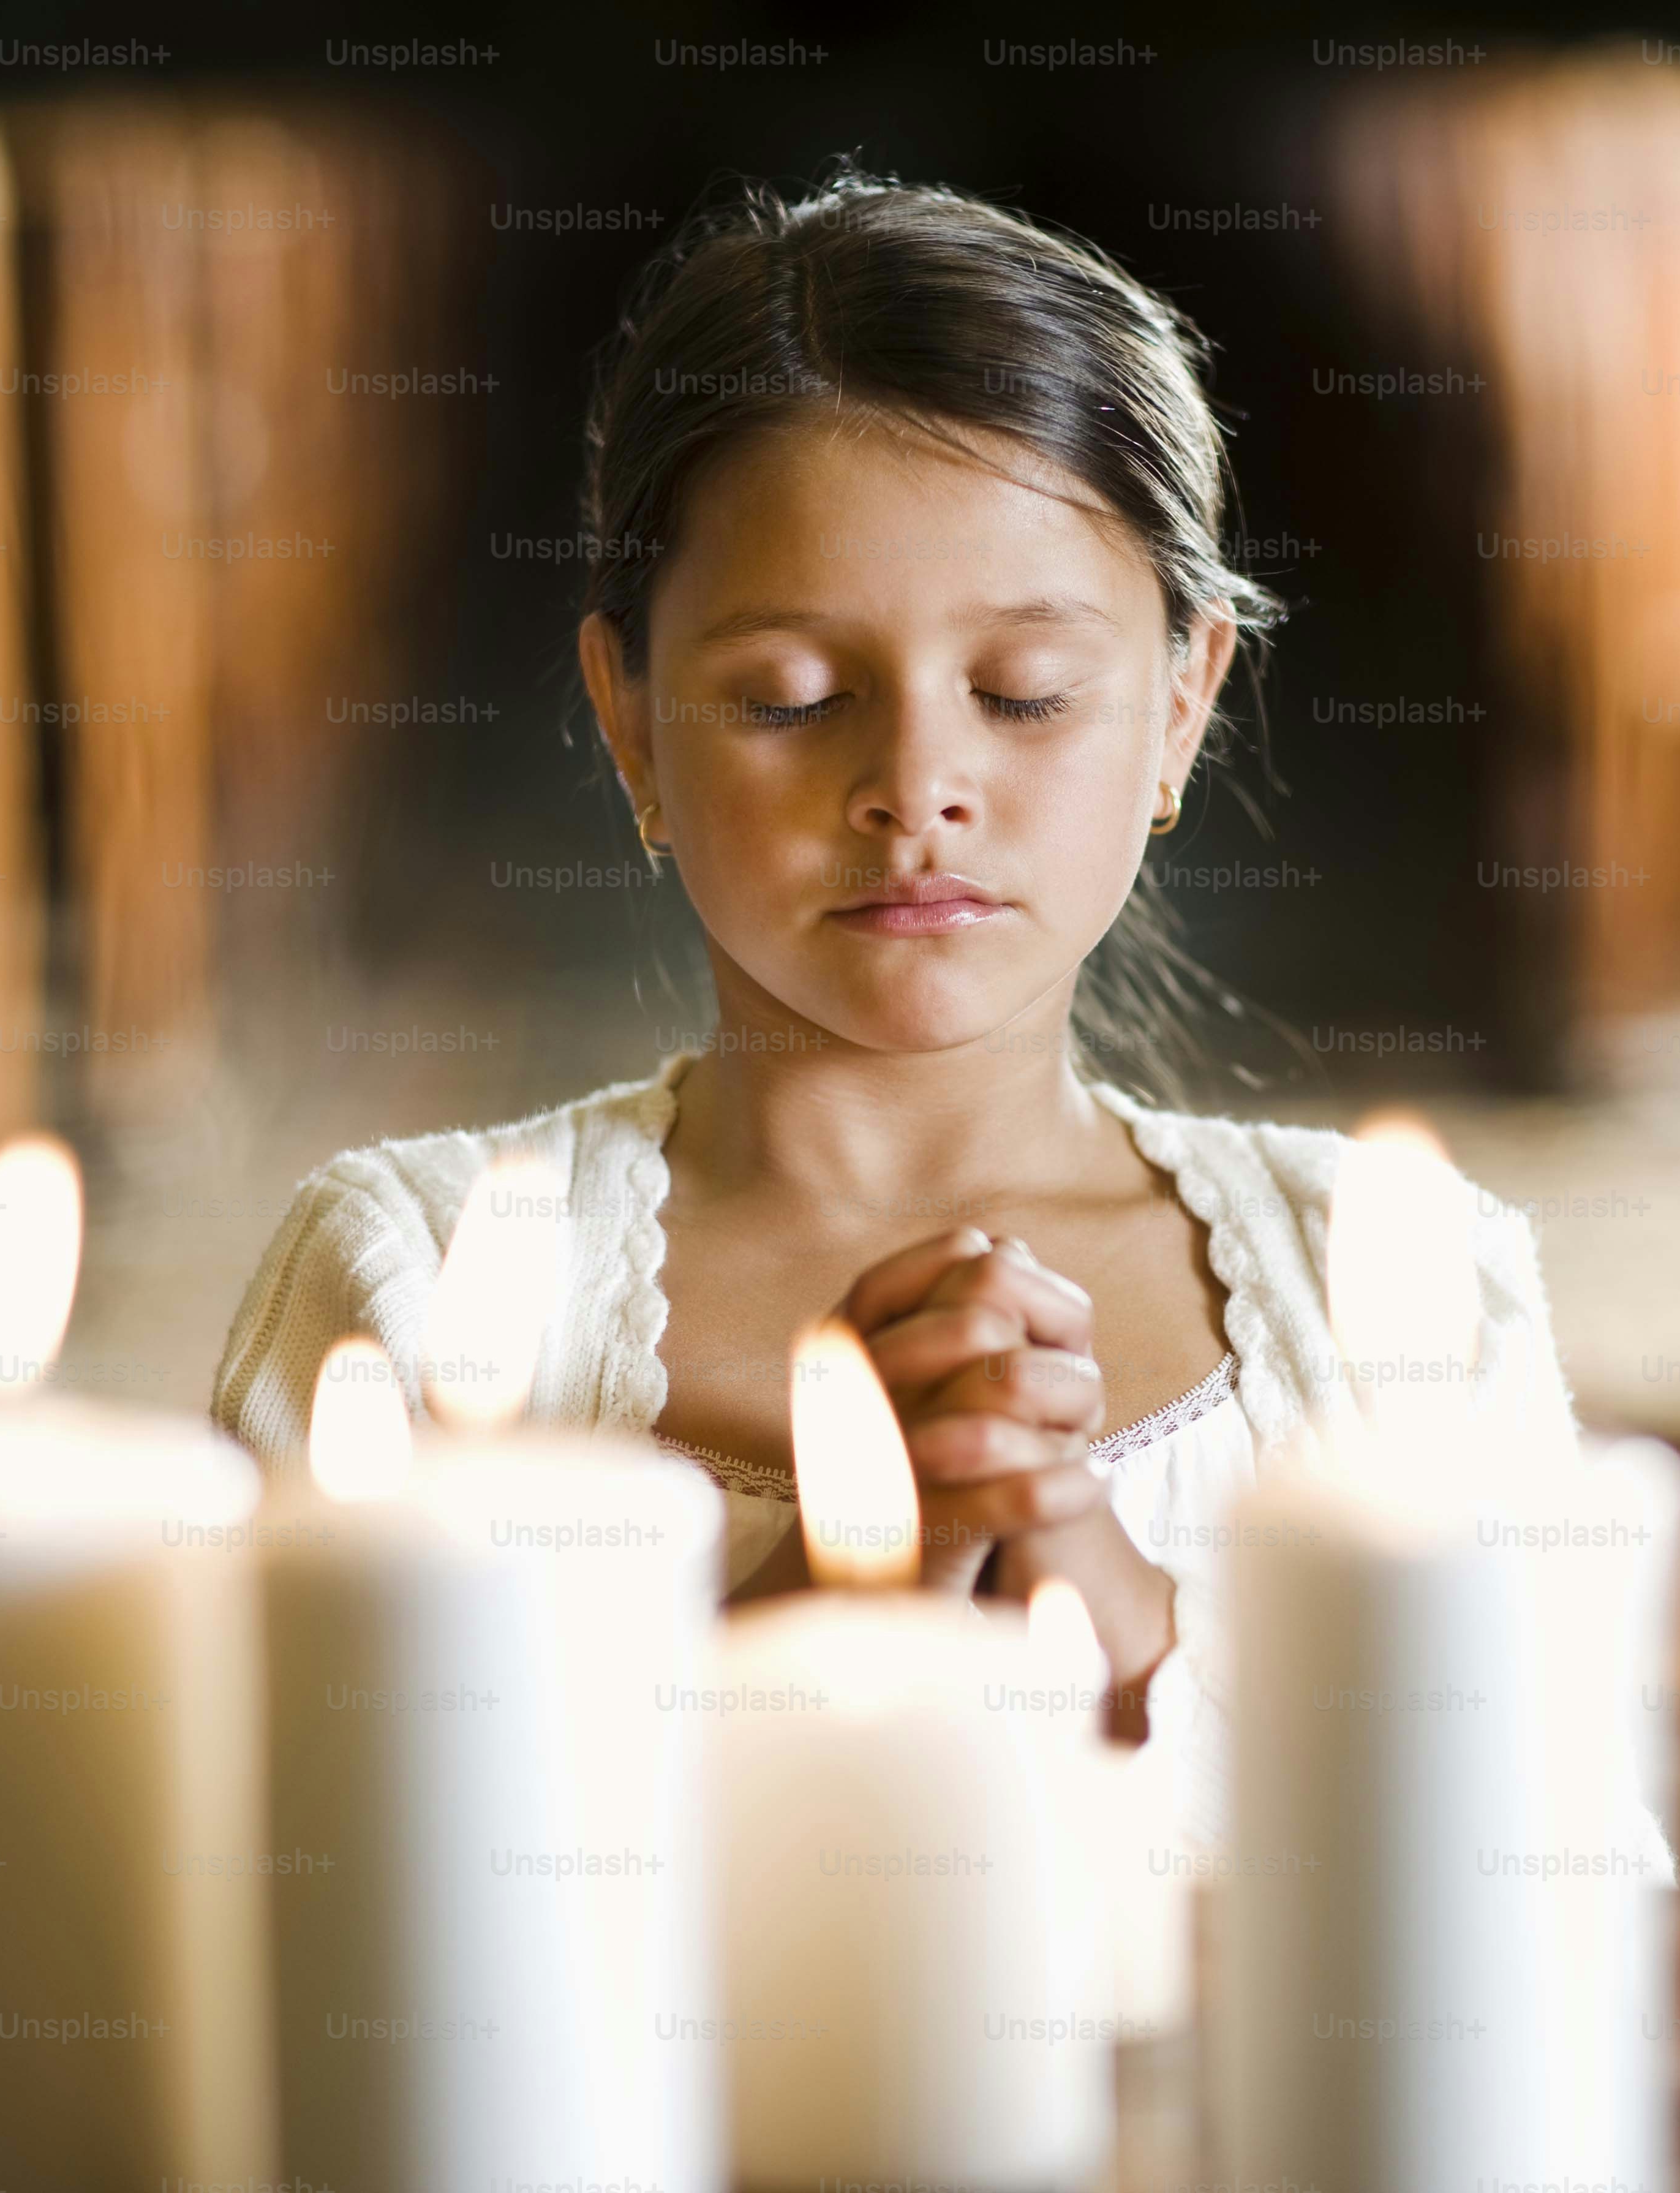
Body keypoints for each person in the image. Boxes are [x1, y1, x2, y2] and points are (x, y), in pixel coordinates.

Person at [213, 172, 1576, 1846]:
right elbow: (294, 1917)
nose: (915, 785)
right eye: (790, 698)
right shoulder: (411, 1283)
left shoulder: (1397, 1292)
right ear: (628, 722)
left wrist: (1127, 1616)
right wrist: (855, 1569)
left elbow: (1573, 1909)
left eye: (1024, 695)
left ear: (1177, 705)